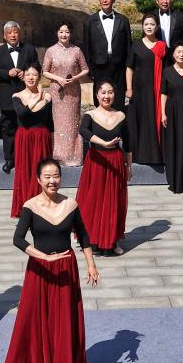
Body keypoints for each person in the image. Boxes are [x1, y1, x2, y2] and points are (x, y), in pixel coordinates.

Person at [0, 158, 100, 363]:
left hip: (65, 269)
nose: (52, 181)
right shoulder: (30, 206)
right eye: (47, 177)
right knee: (35, 319)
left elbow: (83, 235)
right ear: (38, 180)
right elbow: (18, 239)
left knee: (64, 320)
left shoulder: (71, 204)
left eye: (56, 176)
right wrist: (43, 257)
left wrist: (91, 265)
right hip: (40, 270)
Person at [76, 80, 131, 256]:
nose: (107, 96)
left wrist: (129, 165)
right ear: (97, 95)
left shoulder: (121, 115)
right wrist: (103, 143)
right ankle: (92, 239)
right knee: (94, 200)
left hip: (115, 162)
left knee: (113, 201)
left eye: (110, 92)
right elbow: (83, 131)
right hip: (96, 162)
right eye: (103, 92)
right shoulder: (90, 115)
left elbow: (128, 142)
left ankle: (112, 240)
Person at [0, 21, 38, 173]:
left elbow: (37, 67)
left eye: (15, 32)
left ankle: (27, 158)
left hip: (26, 95)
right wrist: (7, 73)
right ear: (4, 36)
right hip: (7, 96)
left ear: (19, 34)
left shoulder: (29, 49)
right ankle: (9, 159)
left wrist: (27, 73)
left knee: (26, 126)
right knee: (8, 128)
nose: (13, 35)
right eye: (9, 32)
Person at [10, 63, 54, 218]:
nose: (31, 77)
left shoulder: (48, 97)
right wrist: (37, 99)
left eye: (34, 75)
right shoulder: (17, 96)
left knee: (42, 171)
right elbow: (22, 114)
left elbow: (50, 123)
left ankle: (43, 205)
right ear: (23, 77)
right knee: (25, 172)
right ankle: (26, 207)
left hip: (42, 138)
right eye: (28, 74)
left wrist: (52, 144)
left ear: (39, 77)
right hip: (24, 138)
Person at [42, 21, 88, 167]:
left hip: (73, 92)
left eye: (67, 32)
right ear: (57, 33)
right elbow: (45, 71)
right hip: (57, 91)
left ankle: (74, 156)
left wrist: (75, 77)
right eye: (61, 32)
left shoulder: (77, 50)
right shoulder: (51, 51)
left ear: (71, 34)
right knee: (59, 123)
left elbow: (85, 69)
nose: (64, 35)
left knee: (72, 123)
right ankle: (58, 156)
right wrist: (58, 79)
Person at [125, 14, 166, 168]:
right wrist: (129, 88)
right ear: (142, 26)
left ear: (157, 27)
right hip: (139, 90)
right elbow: (129, 68)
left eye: (152, 24)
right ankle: (139, 155)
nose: (149, 27)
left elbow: (168, 70)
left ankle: (156, 155)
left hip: (157, 90)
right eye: (146, 24)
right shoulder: (135, 45)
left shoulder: (162, 47)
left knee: (154, 120)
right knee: (140, 120)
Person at [81, 0, 130, 111]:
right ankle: (100, 121)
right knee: (101, 96)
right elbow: (86, 46)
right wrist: (89, 69)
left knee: (118, 97)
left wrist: (128, 67)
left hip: (119, 66)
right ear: (99, 0)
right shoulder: (89, 21)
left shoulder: (123, 20)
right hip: (98, 66)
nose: (105, 0)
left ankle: (118, 120)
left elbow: (128, 45)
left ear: (113, 0)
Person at [160, 42, 183, 195]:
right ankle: (175, 180)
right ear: (173, 54)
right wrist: (163, 113)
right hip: (173, 111)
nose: (181, 55)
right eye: (178, 52)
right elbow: (164, 93)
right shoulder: (167, 71)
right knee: (174, 144)